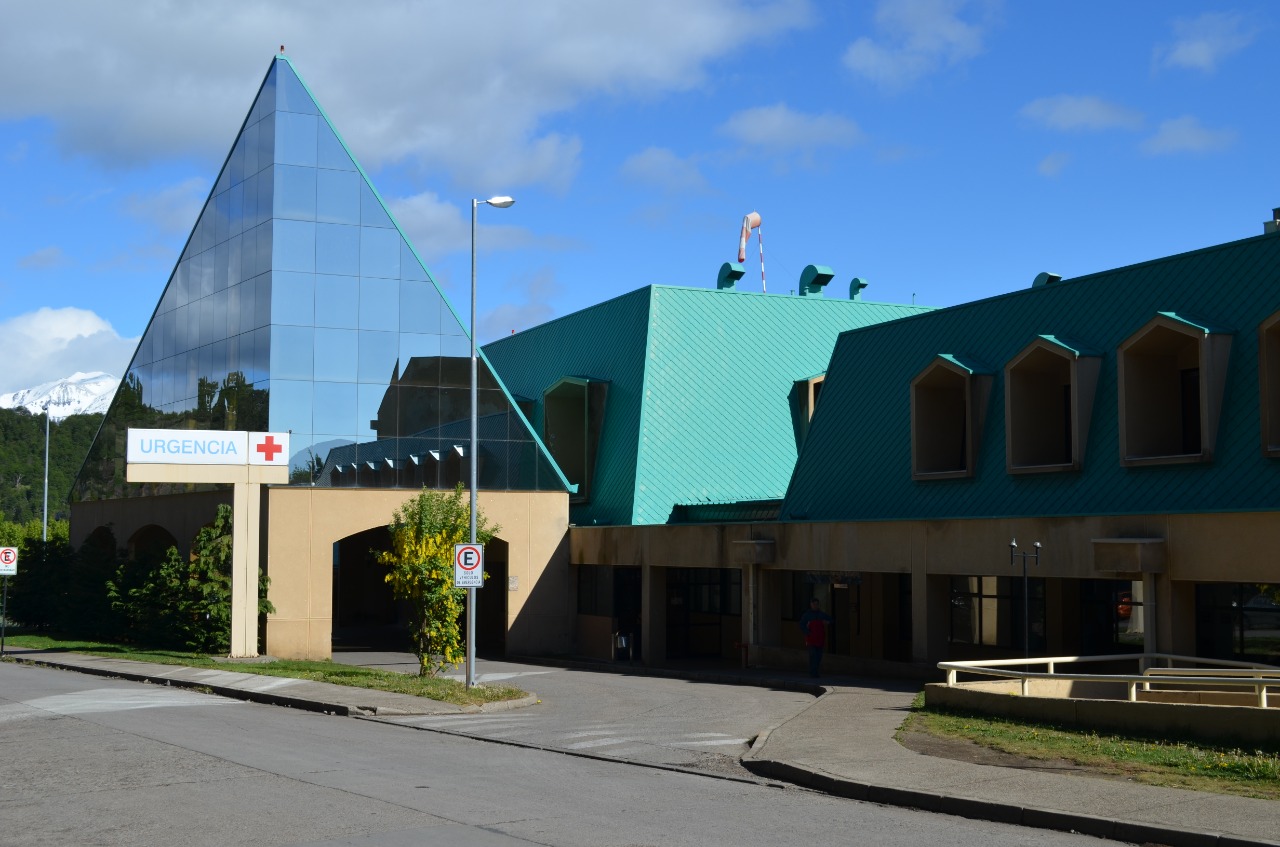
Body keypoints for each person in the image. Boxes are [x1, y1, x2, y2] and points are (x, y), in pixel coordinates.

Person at [798, 597, 833, 678]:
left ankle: (815, 672)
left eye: (817, 604)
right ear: (811, 605)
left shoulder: (821, 614)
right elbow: (801, 624)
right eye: (814, 604)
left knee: (819, 656)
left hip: (820, 639)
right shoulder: (807, 615)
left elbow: (831, 620)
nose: (815, 606)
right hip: (811, 639)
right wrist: (807, 632)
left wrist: (827, 622)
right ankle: (813, 673)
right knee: (813, 655)